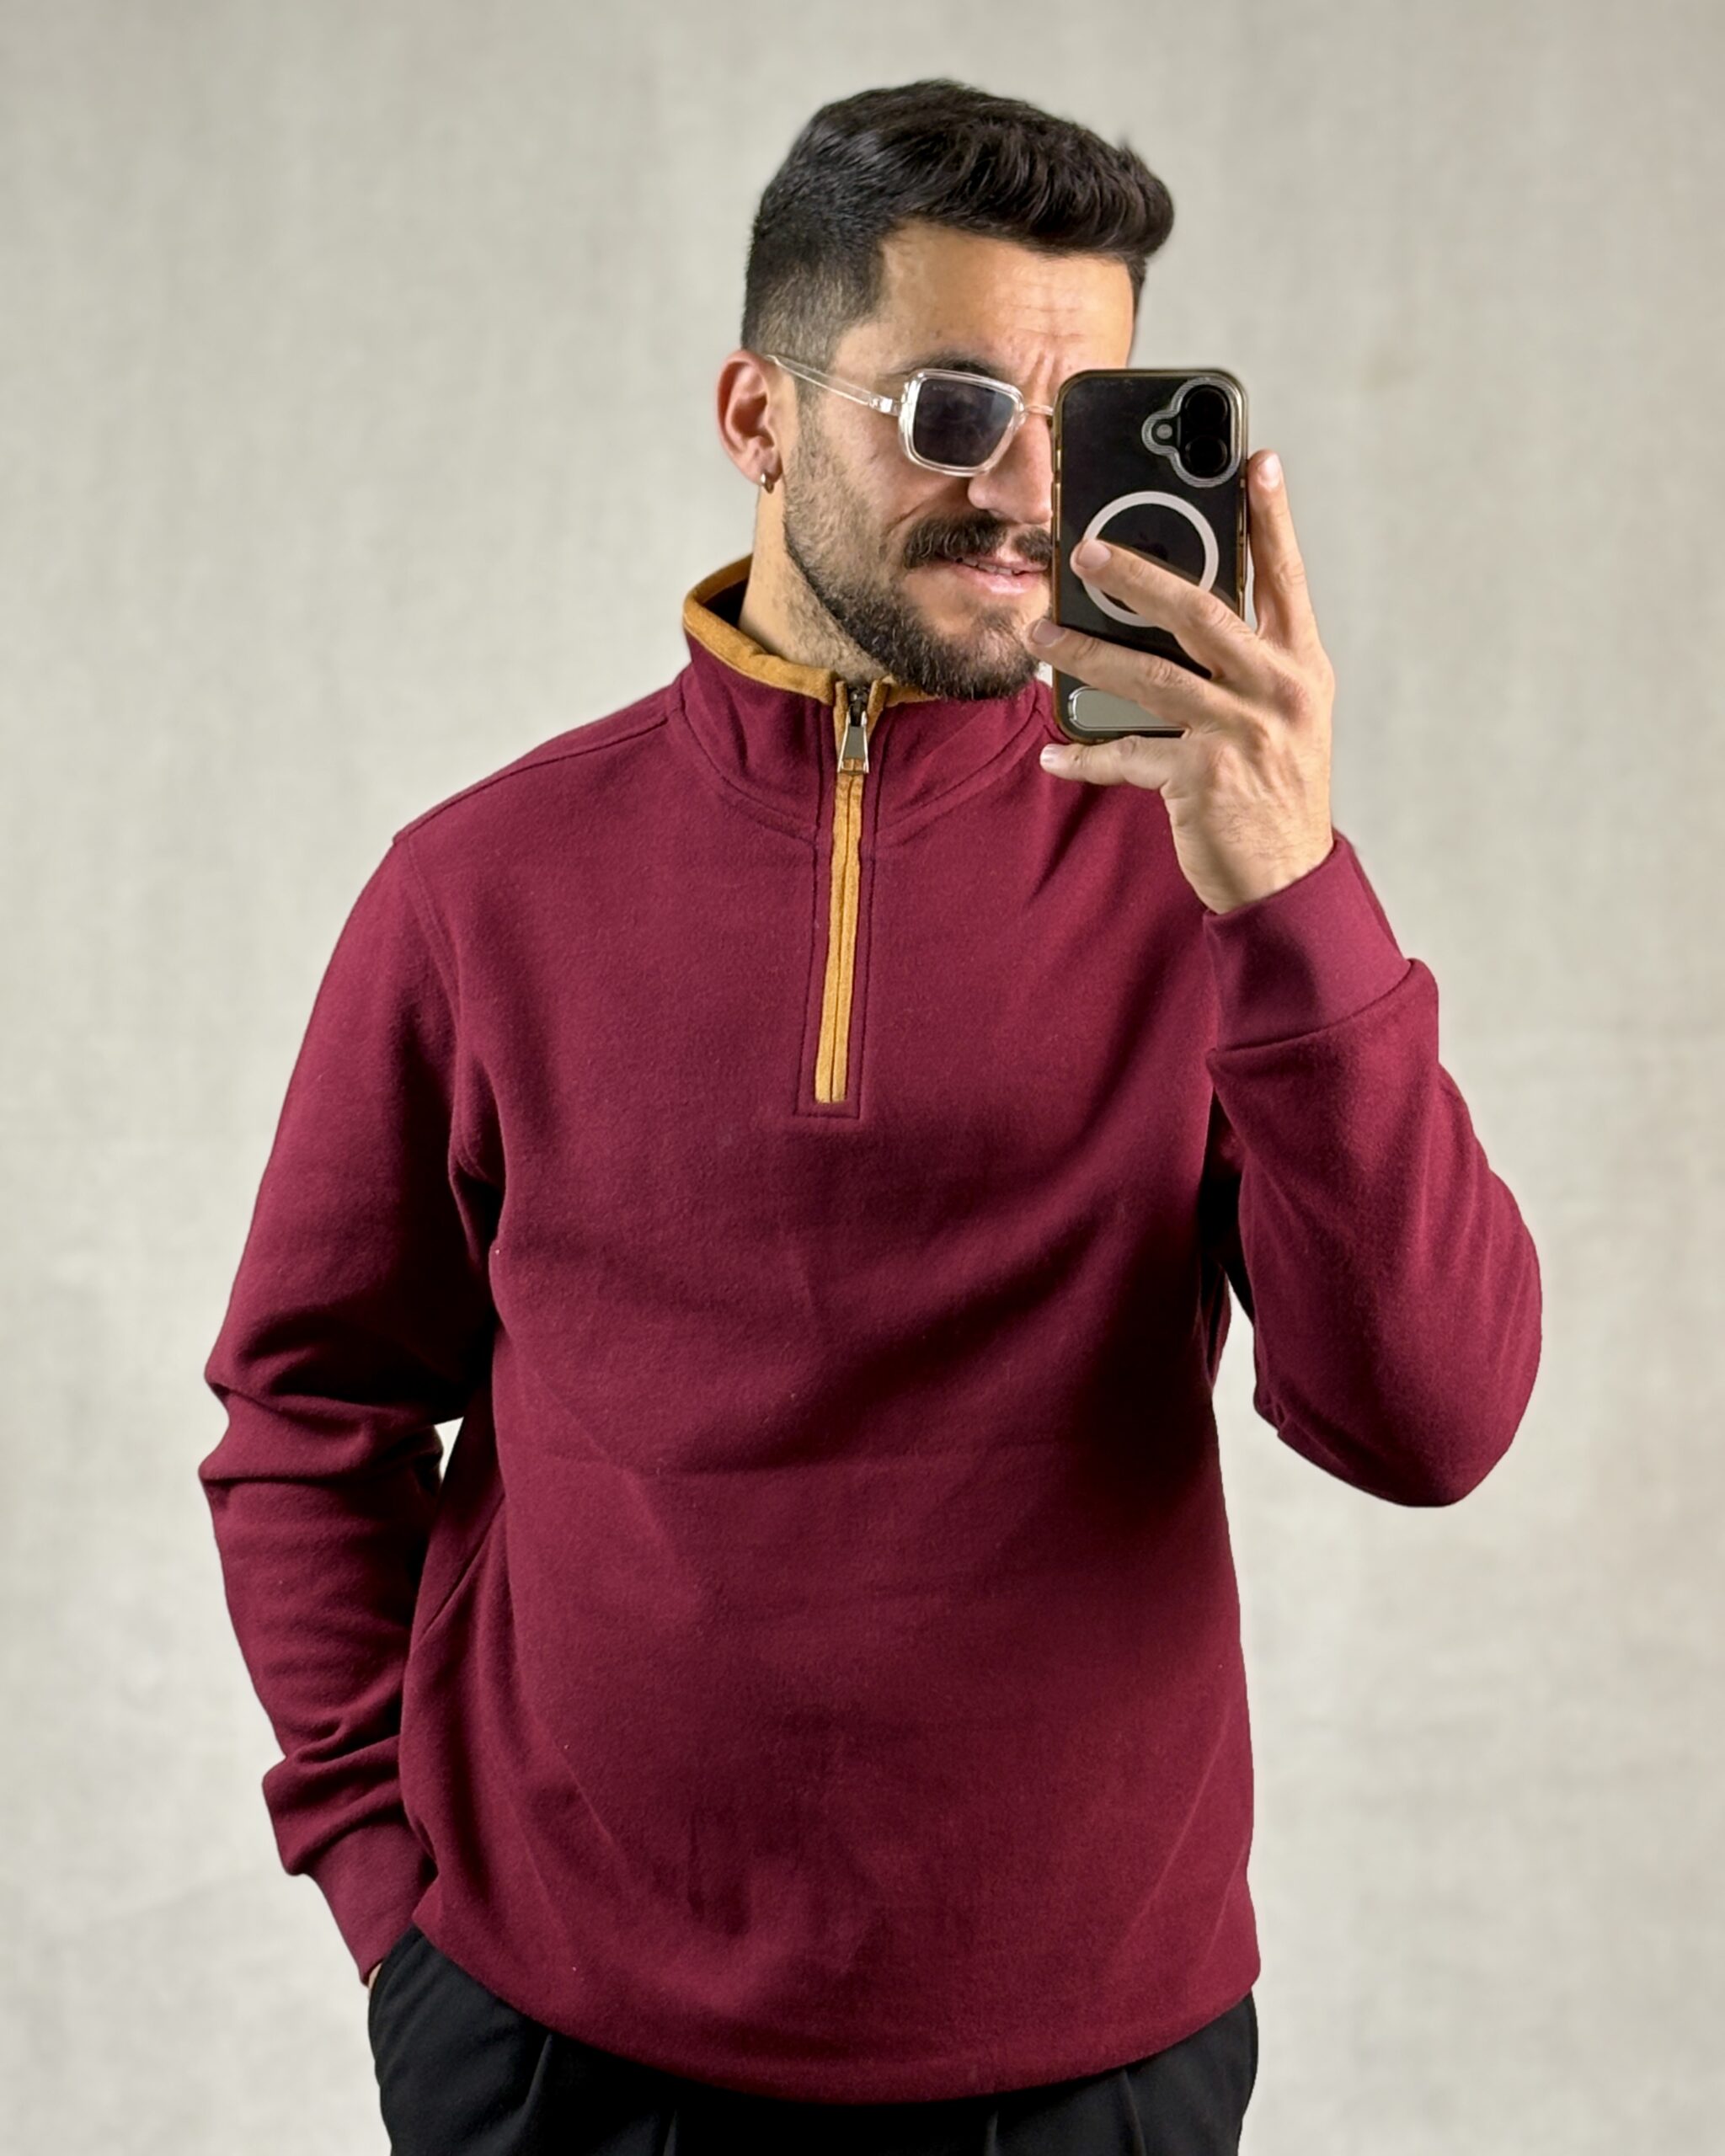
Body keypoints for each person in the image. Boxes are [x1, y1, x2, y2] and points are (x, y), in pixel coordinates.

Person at [198, 77, 1542, 2156]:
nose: (1024, 495)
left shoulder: (1212, 891)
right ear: (755, 416)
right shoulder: (481, 888)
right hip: (554, 2051)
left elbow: (1427, 1421)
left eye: (1081, 421)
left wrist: (1293, 892)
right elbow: (308, 1409)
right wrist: (392, 1894)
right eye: (949, 410)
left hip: (1094, 2061)